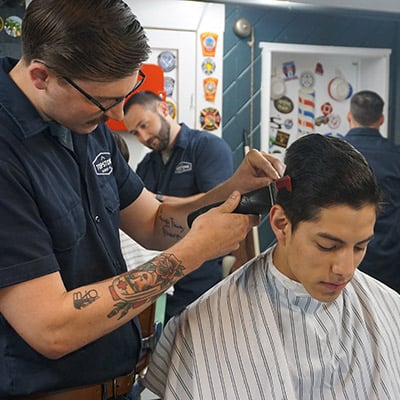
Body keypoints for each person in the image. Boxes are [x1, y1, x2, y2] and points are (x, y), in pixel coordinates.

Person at [0, 0, 284, 397]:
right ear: (41, 76)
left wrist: (232, 187)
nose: (117, 115)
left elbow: (153, 222)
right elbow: (50, 327)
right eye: (105, 103)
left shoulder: (85, 122)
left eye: (126, 93)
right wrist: (192, 253)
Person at [144, 133, 400, 400]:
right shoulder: (201, 326)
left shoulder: (391, 310)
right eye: (327, 245)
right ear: (280, 224)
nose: (346, 269)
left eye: (360, 246)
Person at [123, 91, 234, 321]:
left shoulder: (207, 147)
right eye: (135, 133)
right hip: (158, 272)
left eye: (144, 125)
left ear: (164, 110)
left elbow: (216, 202)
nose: (143, 137)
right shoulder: (146, 165)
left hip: (199, 272)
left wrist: (157, 199)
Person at [344, 90, 400, 292]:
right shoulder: (396, 157)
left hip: (344, 257)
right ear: (381, 119)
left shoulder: (335, 154)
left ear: (349, 116)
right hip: (391, 262)